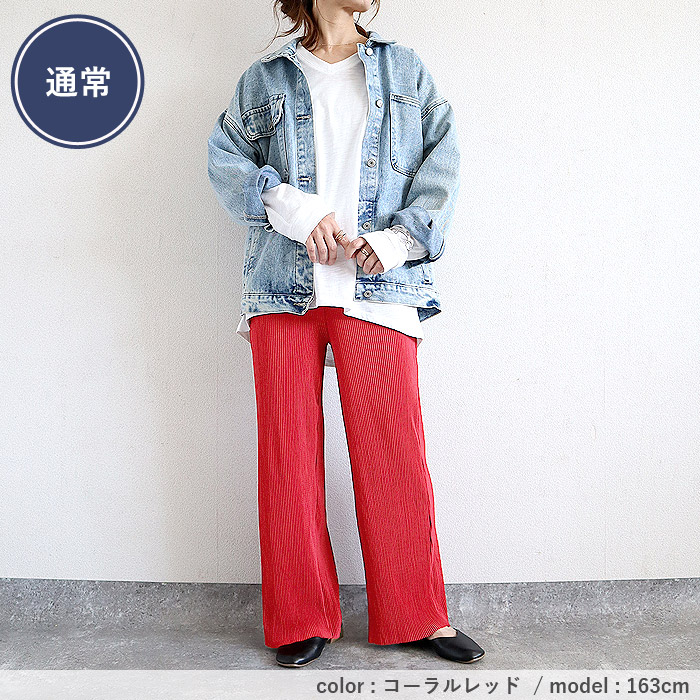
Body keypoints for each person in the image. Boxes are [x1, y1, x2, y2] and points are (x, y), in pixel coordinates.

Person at [207, 0, 485, 668]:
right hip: (284, 286)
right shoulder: (264, 80)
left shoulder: (404, 70)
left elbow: (442, 164)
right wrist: (296, 210)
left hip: (379, 286)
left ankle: (416, 614)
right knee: (287, 455)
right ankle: (301, 616)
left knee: (395, 452)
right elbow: (226, 161)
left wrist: (398, 242)